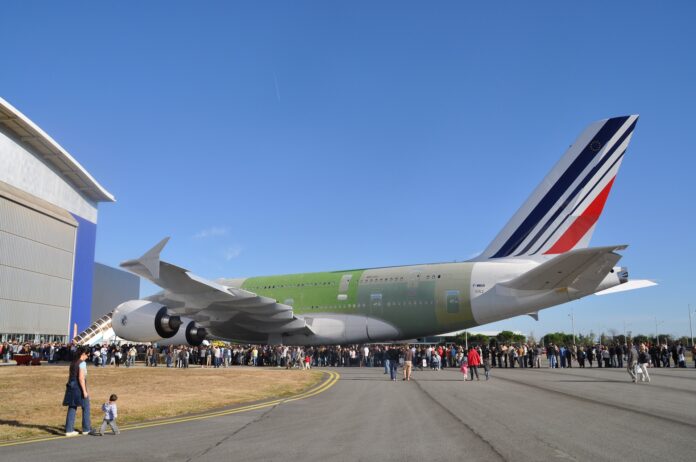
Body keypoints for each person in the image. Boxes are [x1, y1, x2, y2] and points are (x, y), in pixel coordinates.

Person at [63, 347, 93, 436]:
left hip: (71, 385)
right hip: (78, 387)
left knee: (72, 406)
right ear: (83, 354)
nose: (88, 356)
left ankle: (69, 430)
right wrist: (84, 391)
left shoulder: (73, 362)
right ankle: (86, 428)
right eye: (88, 355)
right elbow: (81, 378)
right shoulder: (82, 363)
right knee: (86, 406)